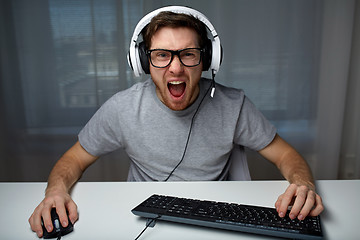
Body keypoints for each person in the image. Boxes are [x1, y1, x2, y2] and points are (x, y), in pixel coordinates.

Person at [29, 6, 324, 238]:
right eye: (161, 55)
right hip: (143, 221)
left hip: (214, 222)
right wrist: (55, 192)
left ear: (207, 58)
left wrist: (303, 183)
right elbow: (73, 159)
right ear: (144, 62)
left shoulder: (234, 105)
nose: (175, 67)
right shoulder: (122, 108)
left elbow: (286, 154)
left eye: (187, 54)